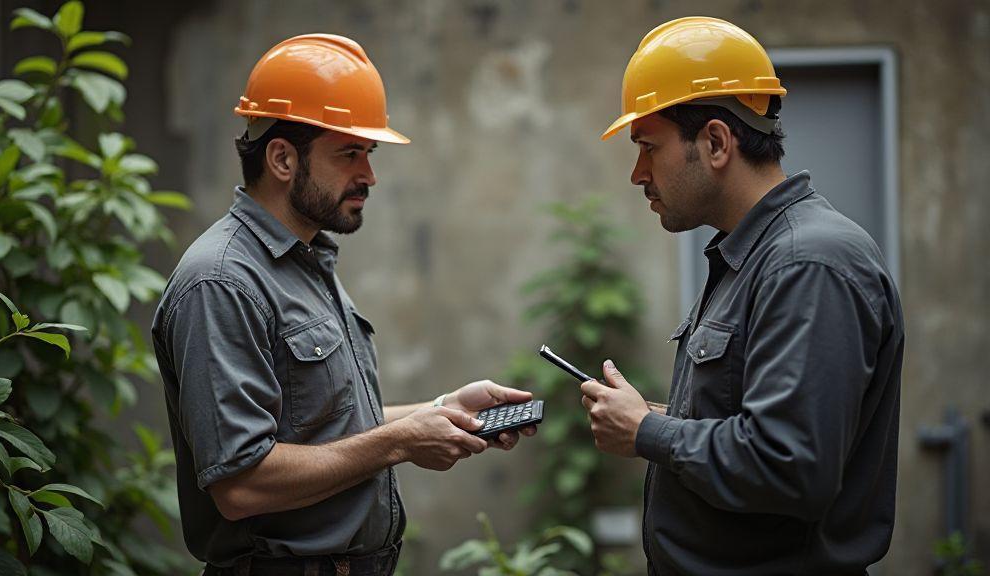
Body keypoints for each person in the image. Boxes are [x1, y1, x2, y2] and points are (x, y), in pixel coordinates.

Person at [151, 34, 535, 576]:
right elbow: (241, 484)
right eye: (349, 153)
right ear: (282, 158)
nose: (369, 176)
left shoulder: (304, 261)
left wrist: (441, 408)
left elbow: (324, 424)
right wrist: (399, 442)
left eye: (369, 154)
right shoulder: (221, 282)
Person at [580, 17, 904, 575]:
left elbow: (790, 466)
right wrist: (658, 416)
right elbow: (755, 423)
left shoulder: (808, 263)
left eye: (647, 147)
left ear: (715, 142)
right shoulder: (751, 257)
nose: (637, 174)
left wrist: (648, 432)